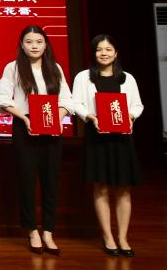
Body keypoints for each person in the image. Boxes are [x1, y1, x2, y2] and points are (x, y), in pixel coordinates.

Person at [0, 25, 73, 255]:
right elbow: (2, 98)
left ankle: (48, 231)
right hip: (25, 127)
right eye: (29, 42)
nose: (34, 46)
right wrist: (24, 118)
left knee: (51, 181)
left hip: (51, 128)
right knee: (27, 181)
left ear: (46, 44)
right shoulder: (13, 68)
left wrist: (58, 118)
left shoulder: (54, 68)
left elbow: (66, 99)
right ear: (22, 45)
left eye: (39, 42)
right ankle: (32, 231)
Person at [71, 34, 143, 257]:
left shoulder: (127, 78)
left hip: (122, 139)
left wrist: (130, 116)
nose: (104, 53)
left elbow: (138, 105)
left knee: (123, 189)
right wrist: (90, 117)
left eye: (108, 49)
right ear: (94, 53)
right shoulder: (84, 77)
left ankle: (123, 237)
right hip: (97, 138)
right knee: (101, 187)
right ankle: (108, 236)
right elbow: (75, 103)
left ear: (116, 53)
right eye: (99, 49)